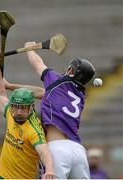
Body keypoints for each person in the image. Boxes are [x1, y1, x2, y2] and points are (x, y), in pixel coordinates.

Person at [23, 41, 96, 179]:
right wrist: (9, 86)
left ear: (71, 71)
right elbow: (43, 93)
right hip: (78, 150)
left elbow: (37, 63)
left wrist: (29, 49)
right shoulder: (80, 96)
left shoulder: (57, 81)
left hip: (56, 149)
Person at [0, 50, 55, 179]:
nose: (19, 112)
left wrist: (50, 170)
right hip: (1, 177)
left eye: (23, 108)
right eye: (16, 107)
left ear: (31, 108)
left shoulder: (33, 130)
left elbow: (44, 152)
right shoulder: (11, 112)